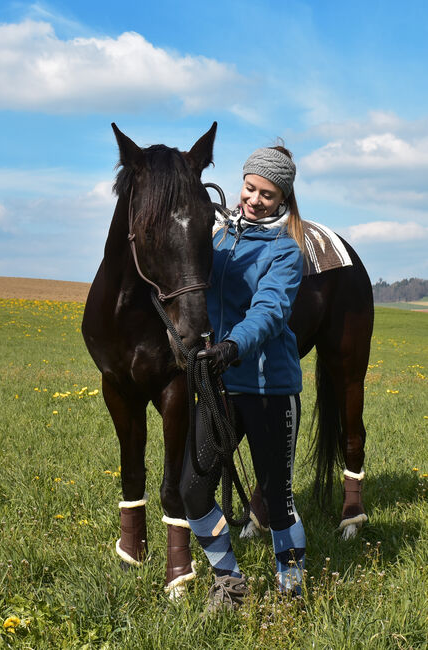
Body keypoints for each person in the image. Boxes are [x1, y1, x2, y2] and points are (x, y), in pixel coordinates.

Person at [180, 143, 306, 613]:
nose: (254, 200)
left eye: (268, 195)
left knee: (277, 500)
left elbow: (270, 311)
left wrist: (232, 346)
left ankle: (291, 590)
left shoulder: (286, 252)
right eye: (250, 188)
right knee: (192, 491)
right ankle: (229, 581)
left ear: (283, 201)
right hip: (219, 388)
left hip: (269, 390)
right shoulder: (217, 240)